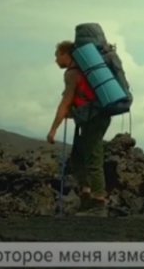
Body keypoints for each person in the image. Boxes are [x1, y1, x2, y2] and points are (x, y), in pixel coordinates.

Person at [46, 40, 112, 217]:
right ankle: (86, 195)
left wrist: (53, 130)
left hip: (93, 119)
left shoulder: (72, 74)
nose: (56, 60)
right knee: (77, 156)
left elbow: (64, 103)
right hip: (96, 117)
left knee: (93, 157)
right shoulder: (83, 72)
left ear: (66, 55)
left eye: (57, 56)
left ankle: (99, 204)